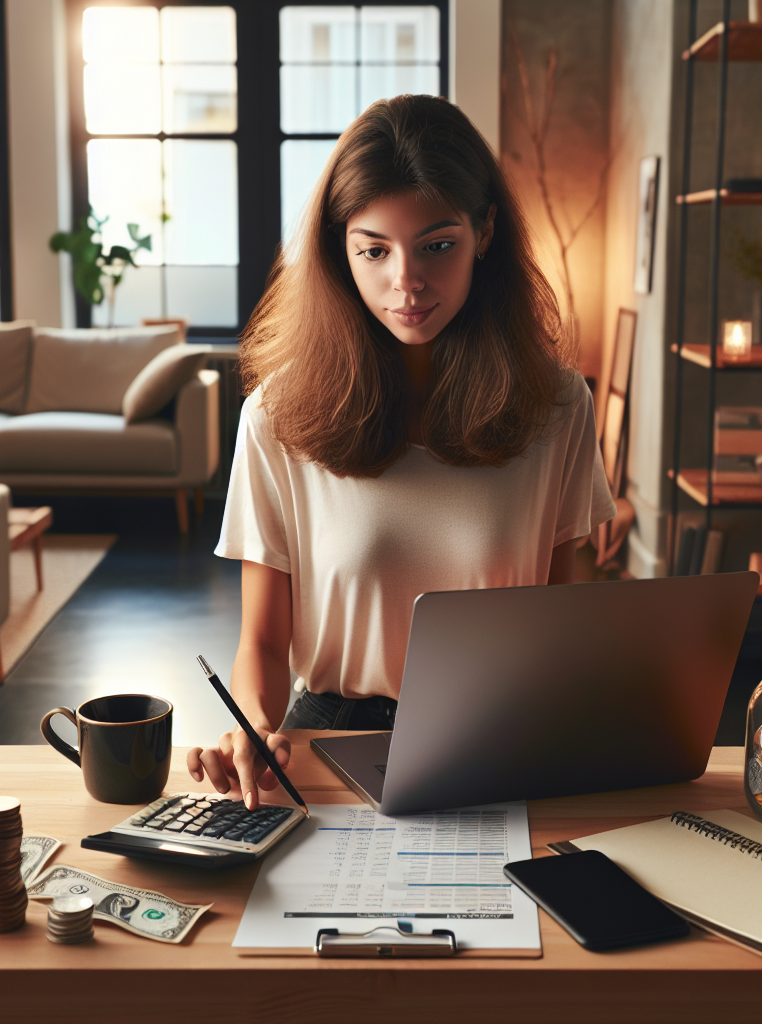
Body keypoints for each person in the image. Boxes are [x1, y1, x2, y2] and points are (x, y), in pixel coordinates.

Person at [186, 94, 615, 808]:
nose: (406, 282)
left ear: (485, 232)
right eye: (374, 250)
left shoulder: (560, 408)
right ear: (338, 250)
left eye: (437, 245)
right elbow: (262, 642)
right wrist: (252, 726)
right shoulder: (276, 416)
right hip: (329, 739)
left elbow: (558, 623)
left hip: (504, 738)